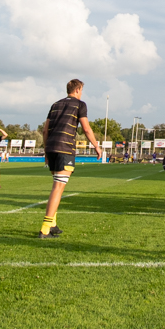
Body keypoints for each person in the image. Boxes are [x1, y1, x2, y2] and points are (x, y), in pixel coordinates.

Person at [39, 79, 103, 239]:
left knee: (56, 185)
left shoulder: (55, 104)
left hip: (51, 148)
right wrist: (96, 145)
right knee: (58, 188)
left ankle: (53, 225)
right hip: (64, 148)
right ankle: (45, 228)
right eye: (81, 91)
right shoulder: (80, 105)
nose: (81, 93)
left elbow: (45, 130)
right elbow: (86, 128)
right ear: (78, 90)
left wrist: (46, 152)